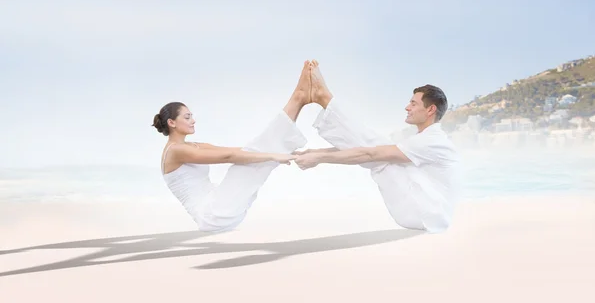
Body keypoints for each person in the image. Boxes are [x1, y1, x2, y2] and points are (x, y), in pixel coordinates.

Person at [295, 61, 461, 233]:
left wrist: (319, 158)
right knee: (381, 150)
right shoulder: (427, 138)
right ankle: (325, 99)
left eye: (413, 103)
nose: (407, 107)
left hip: (426, 214)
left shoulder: (432, 140)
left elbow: (370, 154)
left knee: (380, 153)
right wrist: (316, 152)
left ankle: (324, 98)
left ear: (430, 110)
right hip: (427, 212)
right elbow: (370, 152)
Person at [152, 61, 312, 233]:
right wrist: (273, 156)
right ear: (171, 122)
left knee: (253, 154)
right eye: (187, 117)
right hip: (212, 214)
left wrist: (275, 153)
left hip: (218, 207)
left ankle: (300, 98)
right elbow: (227, 158)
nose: (193, 120)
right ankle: (299, 97)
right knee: (251, 160)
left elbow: (235, 151)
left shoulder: (192, 146)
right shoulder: (176, 151)